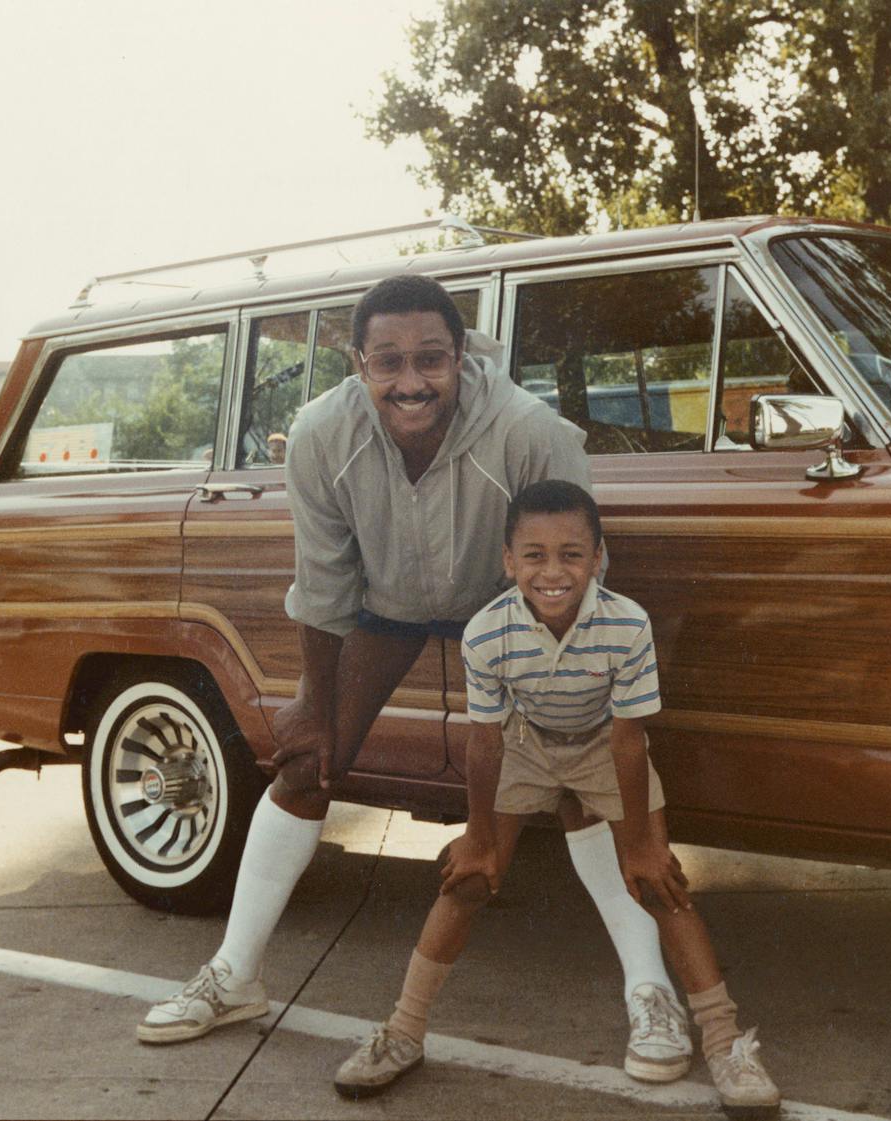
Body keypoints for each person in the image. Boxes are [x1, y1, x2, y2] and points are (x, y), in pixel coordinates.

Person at [137, 278, 686, 1074]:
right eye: (387, 362)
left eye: (431, 359)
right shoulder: (323, 433)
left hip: (514, 613)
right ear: (357, 363)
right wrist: (313, 706)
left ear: (462, 356)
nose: (411, 381)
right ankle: (235, 974)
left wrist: (570, 706)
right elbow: (323, 584)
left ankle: (650, 991)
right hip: (387, 608)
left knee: (579, 780)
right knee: (306, 762)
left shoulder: (534, 432)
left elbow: (574, 575)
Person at [332, 481, 781, 1113]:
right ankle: (403, 1033)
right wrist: (479, 836)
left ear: (599, 558)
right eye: (534, 555)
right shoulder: (488, 633)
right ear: (509, 562)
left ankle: (727, 1044)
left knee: (659, 882)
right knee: (467, 879)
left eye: (572, 554)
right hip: (526, 742)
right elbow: (486, 743)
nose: (553, 571)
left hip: (603, 743)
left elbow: (628, 742)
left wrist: (643, 846)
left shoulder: (627, 624)